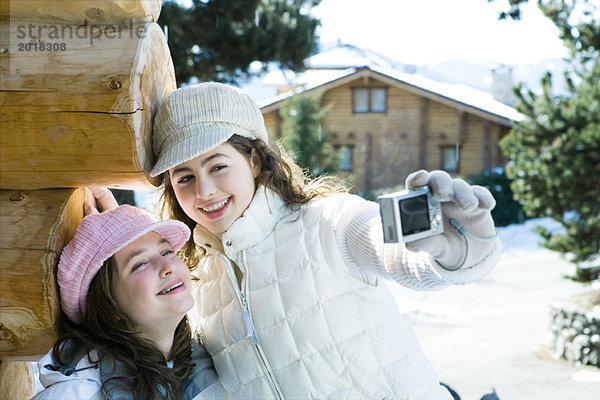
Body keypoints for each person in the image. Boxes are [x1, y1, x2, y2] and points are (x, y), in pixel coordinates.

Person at [147, 82, 503, 399]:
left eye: (217, 166)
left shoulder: (327, 221)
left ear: (254, 160)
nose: (204, 192)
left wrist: (454, 252)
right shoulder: (196, 276)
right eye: (184, 178)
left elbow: (388, 249)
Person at [33, 204, 220, 400]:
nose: (168, 266)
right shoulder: (76, 394)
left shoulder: (211, 363)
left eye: (166, 252)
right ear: (109, 305)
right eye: (140, 264)